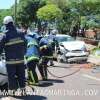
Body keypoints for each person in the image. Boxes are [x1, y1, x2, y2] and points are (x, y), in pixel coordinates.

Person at [0, 16, 27, 98]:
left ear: (5, 24)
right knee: (21, 75)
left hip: (10, 61)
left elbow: (0, 47)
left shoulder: (5, 35)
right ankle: (23, 91)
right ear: (12, 22)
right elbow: (25, 44)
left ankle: (13, 92)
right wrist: (23, 53)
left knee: (11, 77)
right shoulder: (21, 33)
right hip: (21, 60)